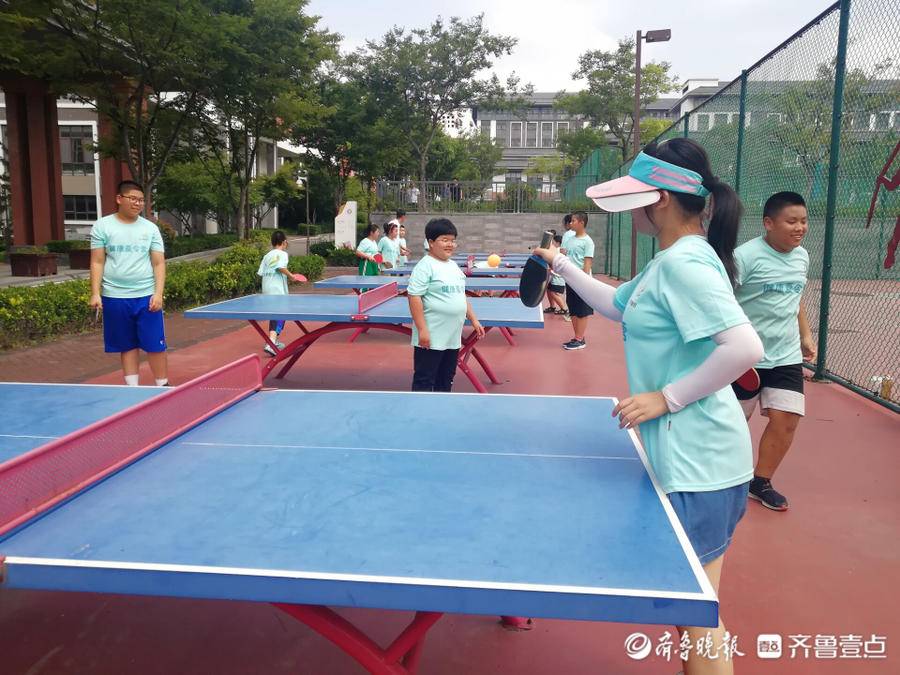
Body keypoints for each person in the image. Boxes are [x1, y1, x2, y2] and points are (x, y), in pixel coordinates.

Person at [533, 138, 763, 675]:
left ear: (659, 199)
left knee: (696, 619)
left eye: (637, 197)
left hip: (699, 461)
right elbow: (615, 305)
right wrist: (560, 263)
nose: (631, 208)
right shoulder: (674, 259)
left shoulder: (684, 264)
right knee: (696, 610)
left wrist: (667, 397)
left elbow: (745, 347)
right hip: (699, 460)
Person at [731, 191, 815, 511]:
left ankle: (760, 481)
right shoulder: (744, 257)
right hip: (745, 355)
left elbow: (795, 299)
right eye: (791, 221)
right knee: (733, 422)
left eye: (804, 221)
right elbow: (720, 298)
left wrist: (805, 336)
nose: (800, 227)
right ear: (768, 223)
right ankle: (720, 475)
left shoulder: (802, 256)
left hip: (786, 355)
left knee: (787, 420)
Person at [89, 180, 169, 386]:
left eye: (141, 200)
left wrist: (158, 293)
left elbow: (159, 263)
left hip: (146, 296)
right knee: (127, 345)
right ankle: (132, 389)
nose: (138, 204)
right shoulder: (102, 226)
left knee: (155, 345)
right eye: (133, 199)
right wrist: (95, 293)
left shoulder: (150, 229)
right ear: (119, 199)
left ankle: (163, 385)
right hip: (114, 297)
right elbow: (97, 261)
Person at [407, 218, 484, 392]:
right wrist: (422, 330)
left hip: (452, 337)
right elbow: (414, 297)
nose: (450, 244)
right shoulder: (424, 266)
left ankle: (440, 413)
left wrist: (474, 320)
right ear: (431, 242)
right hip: (431, 337)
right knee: (424, 380)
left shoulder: (453, 266)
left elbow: (460, 295)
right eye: (444, 240)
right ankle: (420, 415)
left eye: (452, 240)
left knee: (446, 379)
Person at [257, 230, 300, 357]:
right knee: (281, 315)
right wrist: (291, 276)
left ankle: (273, 340)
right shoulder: (282, 254)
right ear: (284, 242)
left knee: (275, 315)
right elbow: (280, 267)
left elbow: (261, 273)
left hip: (267, 289)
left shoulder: (267, 255)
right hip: (277, 290)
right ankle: (271, 343)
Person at [562, 211, 594, 350]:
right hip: (570, 281)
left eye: (573, 221)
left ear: (581, 223)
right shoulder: (570, 239)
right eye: (570, 221)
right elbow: (565, 257)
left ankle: (580, 340)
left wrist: (583, 282)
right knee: (573, 309)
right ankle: (577, 337)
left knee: (582, 311)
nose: (570, 223)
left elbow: (587, 265)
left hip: (581, 283)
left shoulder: (588, 242)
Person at [545, 234, 570, 320]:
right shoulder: (556, 250)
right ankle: (552, 307)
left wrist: (551, 270)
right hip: (554, 277)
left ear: (558, 243)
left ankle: (564, 309)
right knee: (549, 291)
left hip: (558, 278)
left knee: (554, 293)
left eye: (553, 242)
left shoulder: (558, 251)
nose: (552, 243)